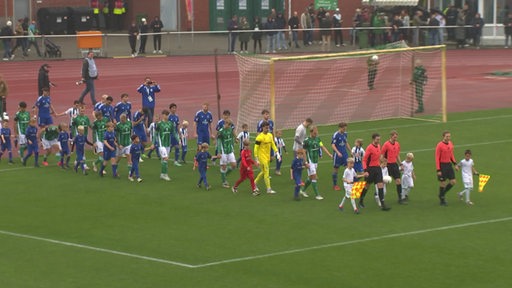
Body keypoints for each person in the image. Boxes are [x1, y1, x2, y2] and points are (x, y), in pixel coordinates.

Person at [359, 133, 391, 211]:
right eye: (377, 139)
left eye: (379, 139)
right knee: (367, 186)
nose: (378, 141)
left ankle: (383, 204)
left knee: (380, 185)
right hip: (370, 169)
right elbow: (364, 160)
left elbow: (378, 156)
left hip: (377, 168)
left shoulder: (379, 146)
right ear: (373, 139)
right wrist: (365, 171)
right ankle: (361, 200)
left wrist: (383, 160)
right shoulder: (369, 148)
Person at [300, 125, 333, 200]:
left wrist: (329, 154)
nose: (316, 133)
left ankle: (302, 190)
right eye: (315, 132)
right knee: (314, 176)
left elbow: (322, 147)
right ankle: (317, 195)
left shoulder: (318, 139)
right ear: (311, 132)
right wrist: (305, 162)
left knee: (310, 177)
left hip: (316, 161)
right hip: (310, 161)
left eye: (317, 132)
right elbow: (304, 151)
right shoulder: (306, 140)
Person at [254, 121, 280, 194]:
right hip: (261, 157)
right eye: (266, 128)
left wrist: (277, 153)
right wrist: (256, 158)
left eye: (268, 127)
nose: (267, 129)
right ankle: (269, 189)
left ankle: (254, 183)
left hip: (267, 157)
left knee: (263, 172)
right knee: (267, 172)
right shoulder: (259, 137)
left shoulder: (270, 135)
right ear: (262, 128)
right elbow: (255, 148)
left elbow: (273, 145)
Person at [435, 130, 459, 206]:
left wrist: (455, 164)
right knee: (443, 183)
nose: (448, 138)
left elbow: (451, 155)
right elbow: (437, 158)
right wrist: (438, 169)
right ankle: (442, 200)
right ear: (443, 137)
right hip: (442, 165)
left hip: (448, 165)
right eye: (447, 136)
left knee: (453, 181)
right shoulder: (439, 145)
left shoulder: (451, 144)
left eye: (449, 136)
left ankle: (442, 194)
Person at [381, 130, 404, 204]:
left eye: (396, 137)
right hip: (387, 166)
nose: (395, 138)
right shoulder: (386, 144)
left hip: (394, 165)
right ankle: (379, 195)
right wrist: (383, 163)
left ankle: (400, 198)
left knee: (398, 180)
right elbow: (381, 156)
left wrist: (400, 164)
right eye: (394, 137)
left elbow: (397, 155)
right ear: (391, 136)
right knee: (385, 182)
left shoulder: (397, 144)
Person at [156, 109, 176, 181]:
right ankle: (165, 175)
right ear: (163, 115)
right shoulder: (159, 124)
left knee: (165, 160)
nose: (166, 116)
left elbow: (174, 132)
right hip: (162, 144)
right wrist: (153, 143)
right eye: (165, 115)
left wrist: (178, 140)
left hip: (168, 144)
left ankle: (162, 174)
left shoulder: (170, 123)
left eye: (168, 115)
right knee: (165, 158)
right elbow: (156, 133)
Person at [217, 118, 237, 188]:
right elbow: (219, 142)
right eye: (229, 125)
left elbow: (231, 137)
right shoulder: (221, 131)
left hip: (230, 150)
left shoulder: (230, 129)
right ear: (225, 124)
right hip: (223, 151)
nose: (230, 126)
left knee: (234, 165)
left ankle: (225, 174)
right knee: (224, 166)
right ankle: (224, 182)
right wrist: (219, 152)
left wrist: (235, 140)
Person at [331, 122, 351, 191]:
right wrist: (338, 152)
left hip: (344, 154)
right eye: (343, 129)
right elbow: (333, 145)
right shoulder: (336, 135)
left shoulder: (345, 134)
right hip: (337, 155)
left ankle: (348, 183)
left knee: (348, 168)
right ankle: (335, 185)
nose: (344, 130)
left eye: (345, 128)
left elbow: (346, 143)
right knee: (336, 169)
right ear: (340, 128)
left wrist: (350, 151)